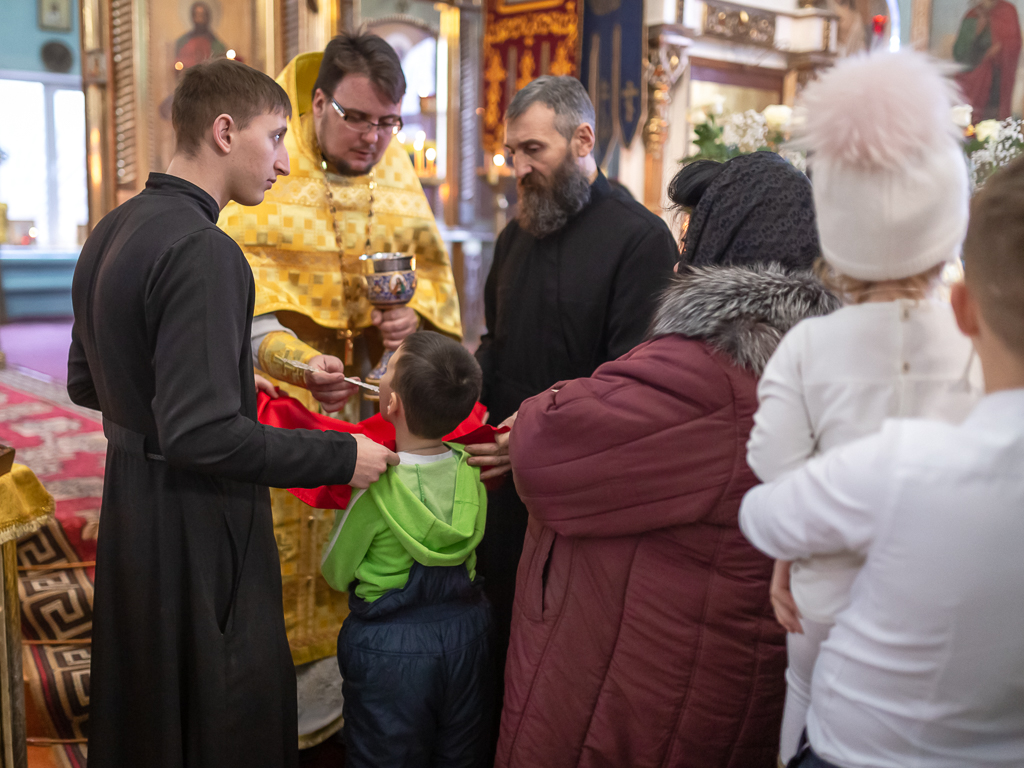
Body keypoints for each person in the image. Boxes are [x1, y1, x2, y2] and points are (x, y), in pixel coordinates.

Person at [67, 59, 398, 768]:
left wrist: (189, 392)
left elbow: (86, 384)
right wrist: (343, 456)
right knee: (222, 718)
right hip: (199, 525)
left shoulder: (114, 227)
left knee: (152, 713)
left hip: (132, 511)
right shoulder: (206, 250)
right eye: (275, 136)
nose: (284, 161)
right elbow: (202, 435)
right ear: (224, 132)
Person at [495, 150, 837, 768]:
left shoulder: (709, 371)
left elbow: (548, 452)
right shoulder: (809, 362)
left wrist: (542, 408)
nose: (678, 259)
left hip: (650, 683)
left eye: (690, 239)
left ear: (721, 245)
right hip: (710, 653)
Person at [739, 153, 1024, 768]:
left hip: (823, 579)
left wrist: (796, 538)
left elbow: (772, 466)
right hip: (947, 582)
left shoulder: (810, 342)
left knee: (803, 691)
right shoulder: (972, 341)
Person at [217, 33, 461, 740]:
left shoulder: (396, 167)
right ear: (320, 102)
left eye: (389, 122)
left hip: (374, 399)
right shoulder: (271, 163)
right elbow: (243, 306)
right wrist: (301, 366)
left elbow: (433, 283)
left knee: (368, 560)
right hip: (286, 407)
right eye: (357, 118)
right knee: (284, 563)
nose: (375, 138)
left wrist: (414, 321)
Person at [464, 75, 678, 705]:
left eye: (534, 151)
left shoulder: (640, 241)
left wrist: (530, 440)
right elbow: (496, 346)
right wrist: (453, 397)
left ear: (583, 140)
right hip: (502, 489)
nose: (518, 169)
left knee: (559, 675)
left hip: (582, 498)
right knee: (495, 653)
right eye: (513, 152)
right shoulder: (514, 237)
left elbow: (629, 386)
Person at [320, 331, 493, 767]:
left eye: (388, 369)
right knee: (460, 751)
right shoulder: (470, 470)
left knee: (385, 753)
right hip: (468, 635)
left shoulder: (374, 486)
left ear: (392, 403)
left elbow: (336, 572)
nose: (379, 375)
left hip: (389, 648)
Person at [953, 0, 1022, 121]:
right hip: (973, 69)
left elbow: (1014, 42)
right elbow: (959, 53)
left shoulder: (1007, 11)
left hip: (1000, 71)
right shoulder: (972, 15)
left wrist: (1000, 49)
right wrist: (977, 30)